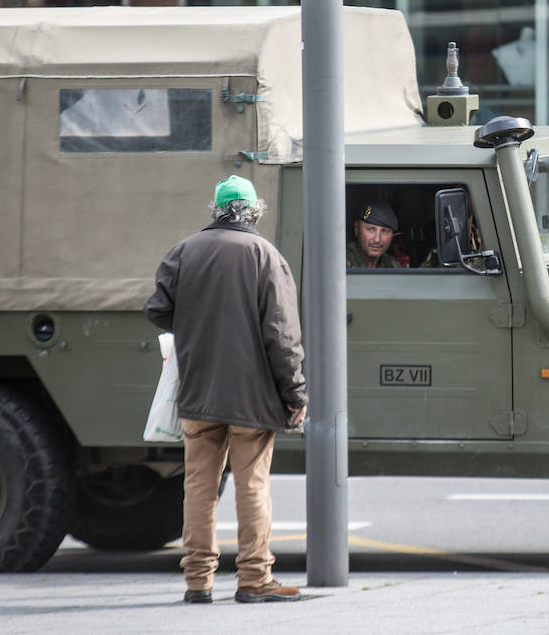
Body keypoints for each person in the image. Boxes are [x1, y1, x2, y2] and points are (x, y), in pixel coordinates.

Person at [144, 174, 308, 605]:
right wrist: (295, 394)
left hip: (198, 393)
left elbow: (158, 310)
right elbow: (282, 336)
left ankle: (198, 581)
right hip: (252, 399)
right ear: (253, 211)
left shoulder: (185, 251)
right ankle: (254, 578)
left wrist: (195, 322)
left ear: (216, 210)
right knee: (252, 486)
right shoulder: (266, 256)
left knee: (199, 487)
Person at [347, 199, 402, 268]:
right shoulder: (340, 262)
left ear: (392, 236)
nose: (377, 239)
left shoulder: (392, 265)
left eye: (384, 231)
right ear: (357, 229)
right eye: (371, 229)